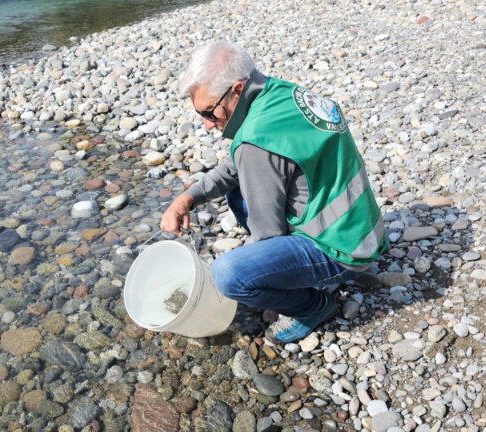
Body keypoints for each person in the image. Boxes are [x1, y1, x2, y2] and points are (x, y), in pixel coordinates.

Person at [160, 41, 387, 343]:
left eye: (209, 113)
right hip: (363, 228)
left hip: (345, 251)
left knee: (229, 275)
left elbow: (268, 235)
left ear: (236, 90)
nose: (206, 125)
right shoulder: (279, 94)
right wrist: (186, 198)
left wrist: (263, 277)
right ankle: (306, 277)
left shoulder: (255, 144)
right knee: (237, 186)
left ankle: (313, 307)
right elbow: (234, 167)